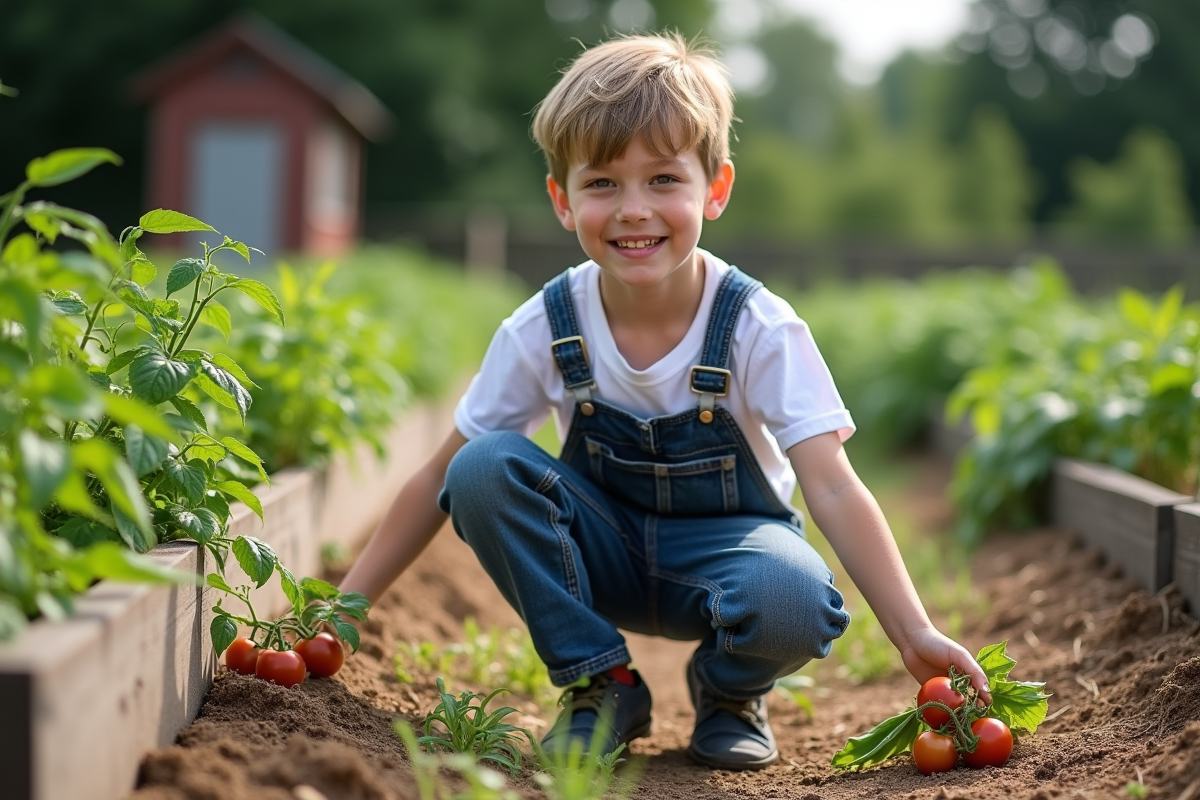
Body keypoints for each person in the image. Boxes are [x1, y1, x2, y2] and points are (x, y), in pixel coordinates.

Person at [339, 31, 990, 771]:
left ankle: (730, 692)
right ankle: (600, 684)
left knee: (793, 598)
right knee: (482, 468)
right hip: (601, 553)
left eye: (663, 180)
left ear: (715, 188)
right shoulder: (544, 328)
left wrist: (913, 634)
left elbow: (832, 481)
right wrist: (346, 609)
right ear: (562, 199)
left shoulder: (757, 327)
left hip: (728, 558)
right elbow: (437, 479)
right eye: (603, 184)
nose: (633, 210)